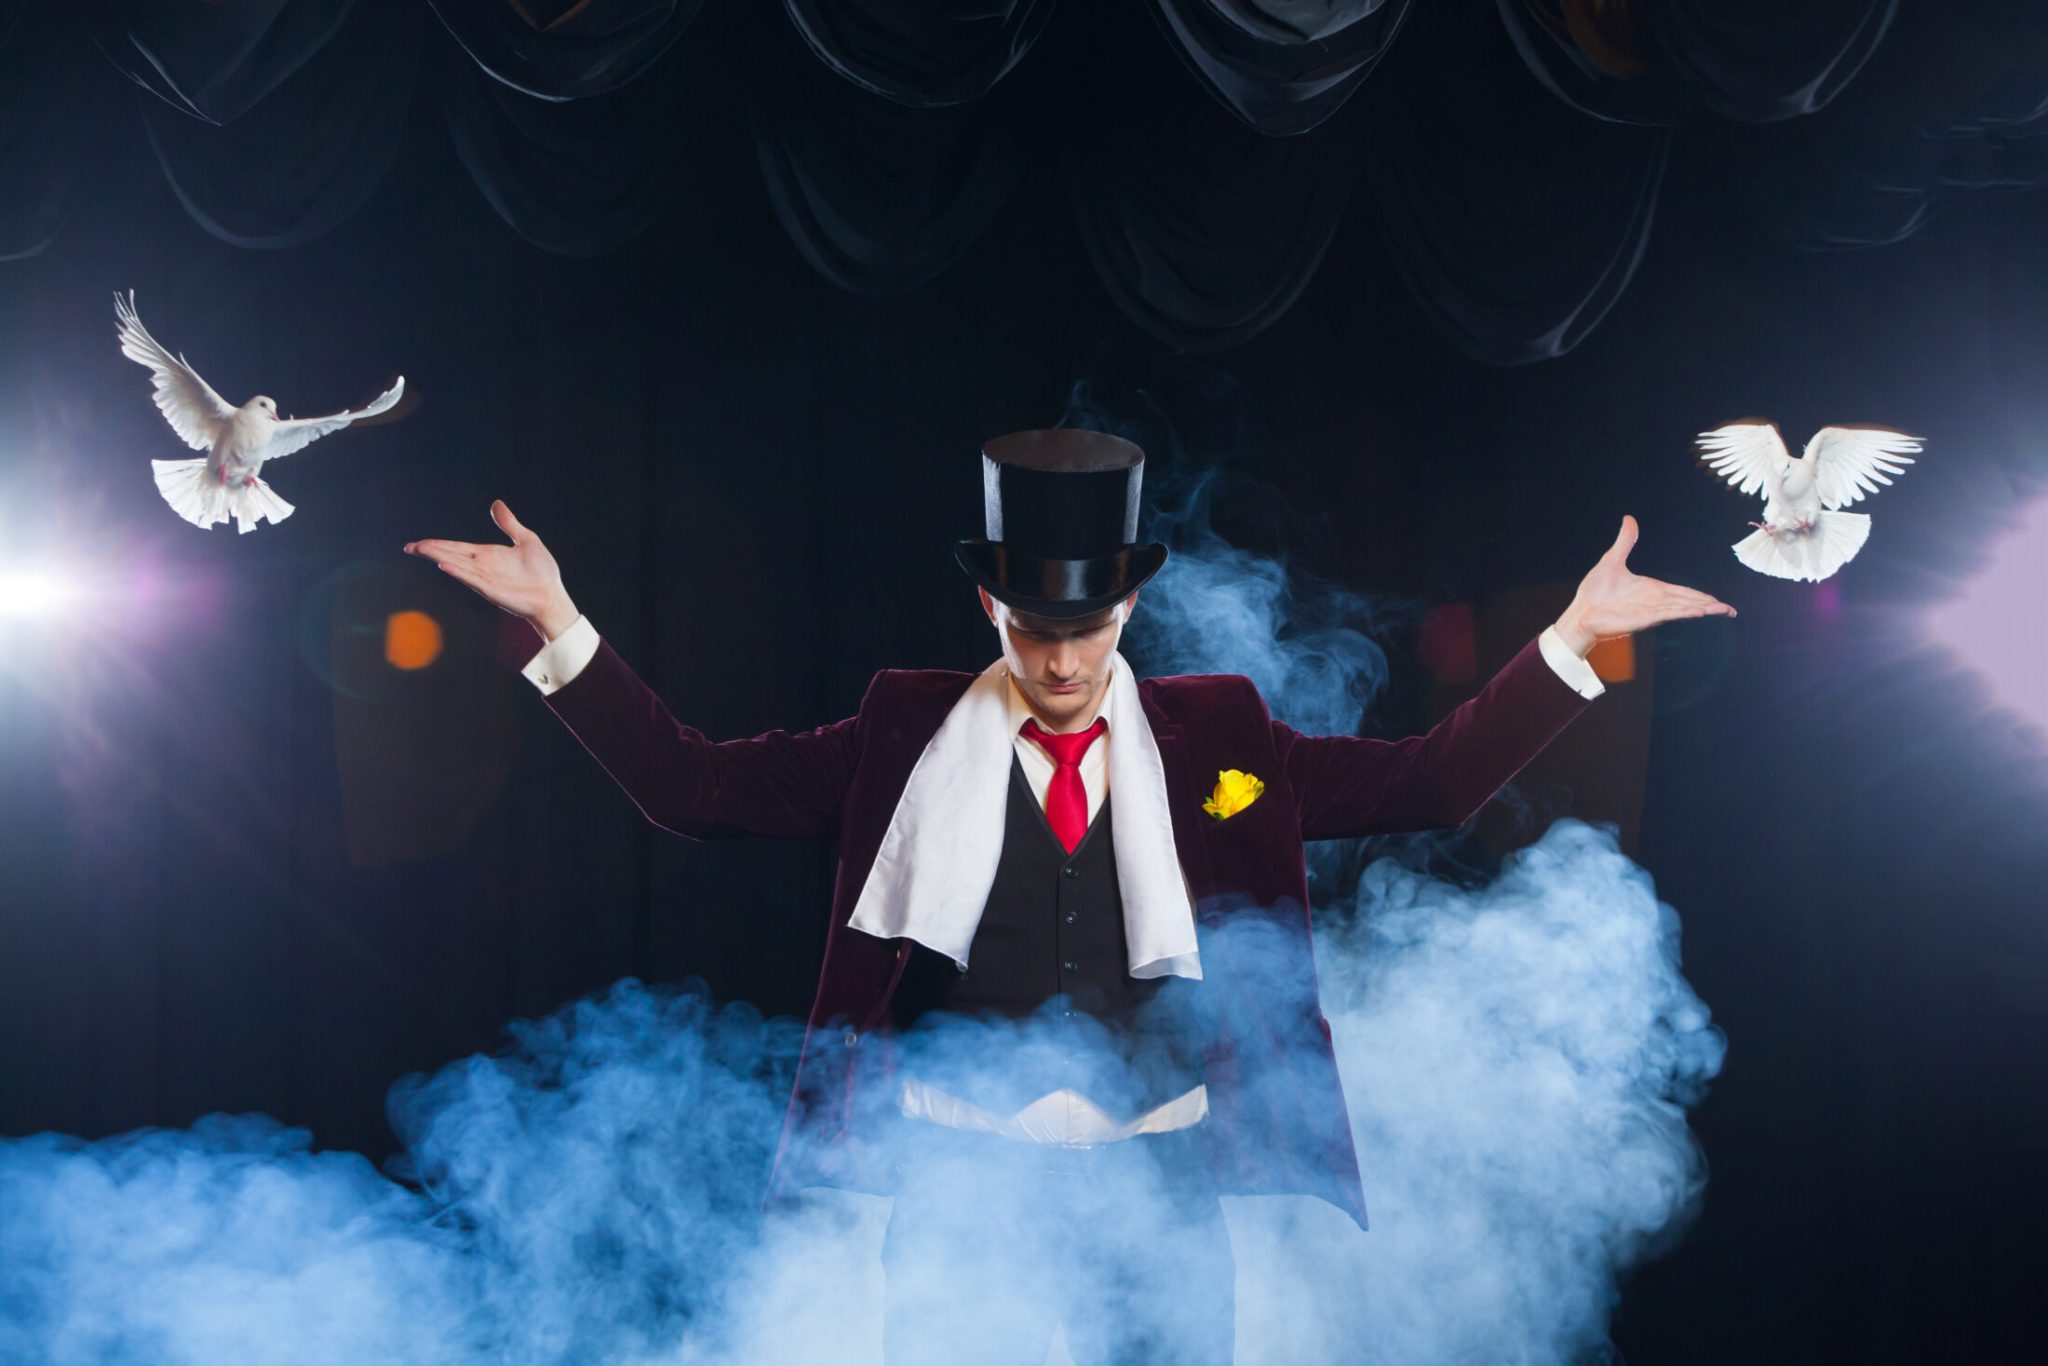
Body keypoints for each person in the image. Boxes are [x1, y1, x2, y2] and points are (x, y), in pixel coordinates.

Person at [404, 428, 1734, 1364]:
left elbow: (1435, 782)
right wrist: (558, 625)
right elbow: (689, 786)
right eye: (1035, 629)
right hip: (950, 1181)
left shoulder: (1220, 739)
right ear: (990, 608)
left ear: (1130, 609)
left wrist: (1576, 640)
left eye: (1088, 629)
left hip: (1162, 1188)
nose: (1061, 659)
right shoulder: (898, 731)